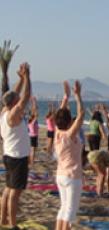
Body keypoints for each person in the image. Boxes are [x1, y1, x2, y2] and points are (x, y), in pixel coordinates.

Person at [0, 63, 31, 230]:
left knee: (8, 189)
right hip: (17, 158)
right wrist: (27, 78)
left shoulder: (4, 111)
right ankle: (12, 225)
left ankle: (3, 219)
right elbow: (25, 96)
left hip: (10, 155)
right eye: (16, 101)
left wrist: (20, 80)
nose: (19, 102)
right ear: (14, 104)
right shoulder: (11, 115)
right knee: (14, 192)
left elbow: (15, 95)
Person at [54, 80, 84, 230]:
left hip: (61, 175)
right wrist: (77, 96)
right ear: (69, 121)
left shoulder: (58, 133)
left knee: (63, 208)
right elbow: (81, 115)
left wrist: (66, 97)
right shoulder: (69, 135)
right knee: (69, 212)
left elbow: (60, 115)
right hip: (72, 176)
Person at [28, 96, 39, 165]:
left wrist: (32, 102)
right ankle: (32, 161)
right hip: (33, 136)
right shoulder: (32, 122)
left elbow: (33, 112)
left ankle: (31, 160)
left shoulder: (29, 122)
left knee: (32, 149)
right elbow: (36, 114)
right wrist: (34, 102)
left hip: (31, 136)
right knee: (33, 149)